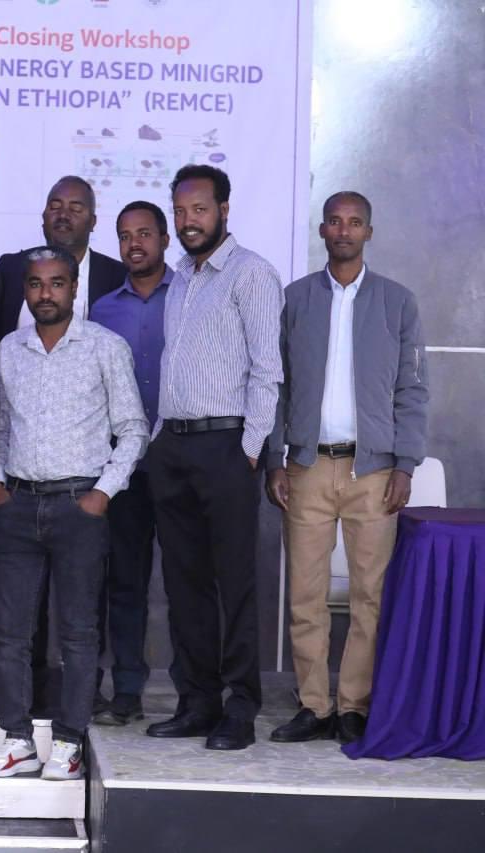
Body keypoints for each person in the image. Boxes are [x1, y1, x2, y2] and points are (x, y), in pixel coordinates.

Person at [0, 249, 147, 781]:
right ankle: (17, 741)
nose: (45, 293)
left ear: (74, 288)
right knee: (11, 634)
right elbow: (0, 426)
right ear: (25, 290)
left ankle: (69, 742)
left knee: (77, 632)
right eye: (35, 284)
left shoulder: (104, 346)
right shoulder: (10, 349)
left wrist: (103, 493)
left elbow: (134, 429)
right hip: (18, 505)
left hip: (79, 506)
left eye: (56, 283)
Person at [267, 192, 428, 746]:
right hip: (308, 466)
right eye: (334, 221)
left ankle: (354, 706)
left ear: (369, 232)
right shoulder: (295, 299)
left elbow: (412, 389)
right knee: (305, 595)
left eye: (355, 222)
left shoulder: (397, 302)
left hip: (373, 472)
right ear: (322, 230)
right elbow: (277, 385)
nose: (343, 230)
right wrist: (275, 458)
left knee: (369, 597)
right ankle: (313, 705)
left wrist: (405, 464)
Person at [145, 164, 283, 751]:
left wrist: (249, 450)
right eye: (179, 212)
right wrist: (159, 439)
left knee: (235, 586)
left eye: (198, 210)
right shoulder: (180, 277)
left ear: (224, 210)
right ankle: (197, 702)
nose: (188, 221)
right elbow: (175, 365)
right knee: (185, 586)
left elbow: (268, 370)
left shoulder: (252, 274)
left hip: (227, 447)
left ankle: (240, 709)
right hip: (174, 447)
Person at [87, 201, 175, 726]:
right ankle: (125, 689)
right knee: (124, 582)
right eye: (125, 235)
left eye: (144, 233)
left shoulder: (189, 298)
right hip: (124, 466)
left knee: (189, 582)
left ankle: (197, 691)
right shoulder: (102, 310)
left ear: (164, 238)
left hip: (181, 459)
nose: (134, 243)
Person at [0, 176, 127, 344]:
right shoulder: (11, 267)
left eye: (75, 209)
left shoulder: (118, 277)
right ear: (43, 217)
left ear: (93, 222)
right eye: (55, 207)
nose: (63, 215)